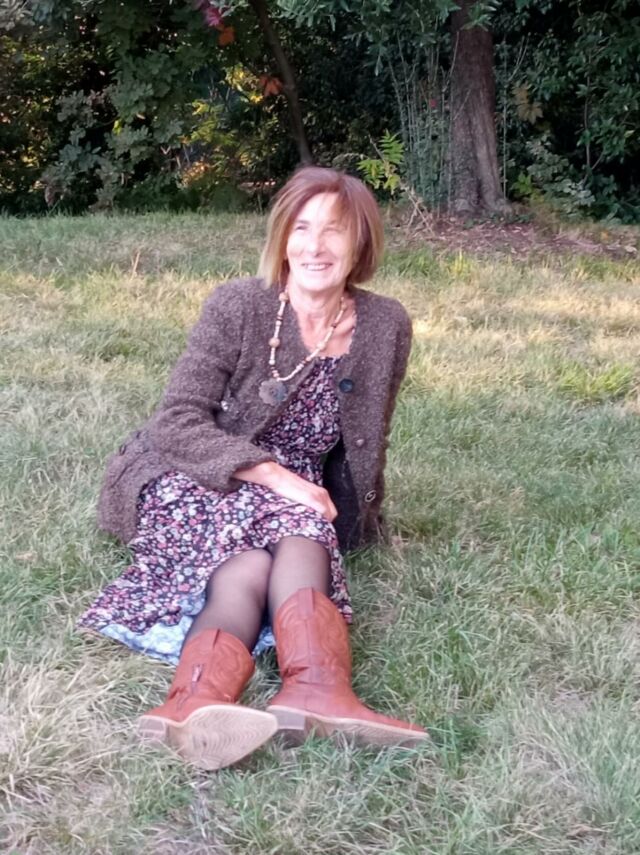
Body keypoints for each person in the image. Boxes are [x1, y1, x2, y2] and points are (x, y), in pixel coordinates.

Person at [78, 166, 427, 771]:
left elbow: (369, 437)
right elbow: (177, 421)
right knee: (297, 517)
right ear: (282, 237)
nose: (315, 246)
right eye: (301, 228)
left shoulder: (385, 324)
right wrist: (278, 478)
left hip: (287, 493)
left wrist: (358, 516)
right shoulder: (239, 305)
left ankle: (199, 703)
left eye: (335, 230)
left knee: (260, 557)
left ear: (361, 243)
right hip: (195, 468)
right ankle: (306, 690)